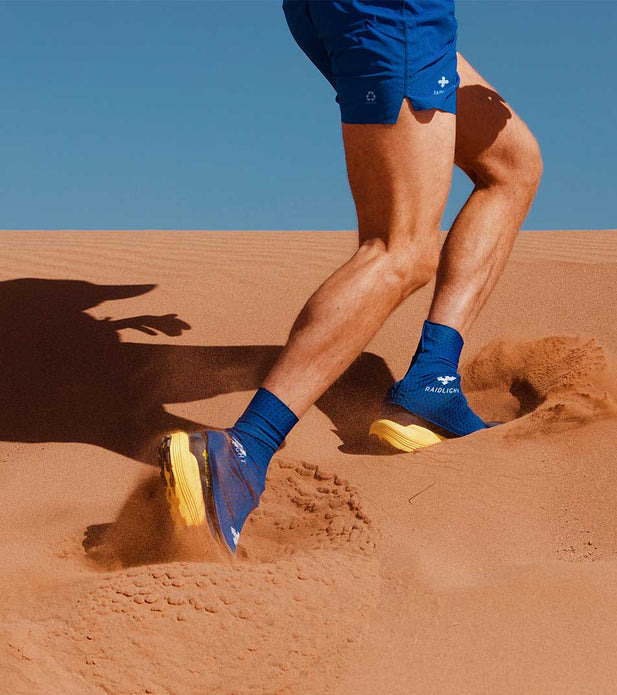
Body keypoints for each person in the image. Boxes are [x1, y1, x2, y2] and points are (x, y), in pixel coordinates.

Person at [159, 0, 542, 555]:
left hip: (367, 13)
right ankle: (241, 453)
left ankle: (432, 383)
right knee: (400, 251)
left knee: (513, 165)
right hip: (393, 12)